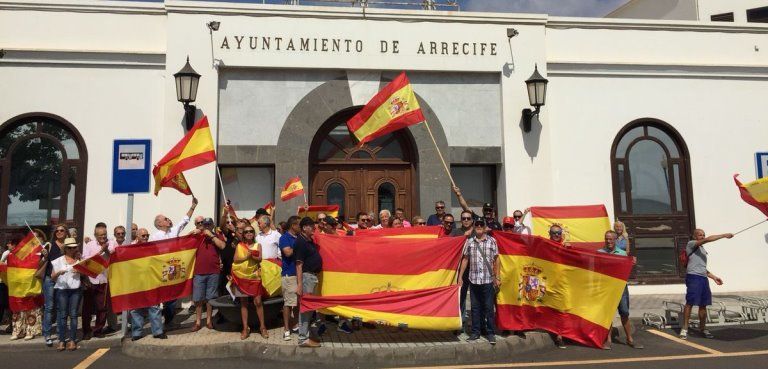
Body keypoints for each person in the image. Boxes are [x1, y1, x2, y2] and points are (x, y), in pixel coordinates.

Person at [151, 197, 197, 329]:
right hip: (161, 269)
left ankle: (169, 321)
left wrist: (193, 206)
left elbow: (184, 221)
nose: (168, 219)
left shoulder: (173, 231)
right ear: (159, 224)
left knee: (173, 295)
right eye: (165, 219)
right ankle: (164, 322)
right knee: (165, 296)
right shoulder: (155, 237)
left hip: (174, 267)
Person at [680, 228, 733, 340]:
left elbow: (703, 268)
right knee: (690, 302)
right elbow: (708, 240)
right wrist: (724, 234)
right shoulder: (691, 244)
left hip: (703, 278)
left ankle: (703, 328)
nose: (702, 237)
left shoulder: (703, 250)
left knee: (703, 304)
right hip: (693, 277)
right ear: (695, 236)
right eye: (700, 235)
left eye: (703, 235)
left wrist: (714, 277)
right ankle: (684, 328)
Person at [598, 231, 643, 350]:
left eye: (611, 239)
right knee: (608, 315)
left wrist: (632, 263)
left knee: (624, 312)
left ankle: (629, 339)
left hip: (621, 287)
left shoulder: (623, 254)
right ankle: (608, 340)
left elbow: (627, 270)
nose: (608, 241)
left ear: (615, 240)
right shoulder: (599, 253)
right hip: (607, 288)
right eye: (606, 239)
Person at [458, 219, 499, 345]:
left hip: (487, 280)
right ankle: (475, 332)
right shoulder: (469, 242)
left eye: (482, 225)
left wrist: (497, 277)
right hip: (474, 279)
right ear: (474, 227)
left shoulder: (492, 241)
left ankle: (490, 332)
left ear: (485, 227)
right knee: (475, 308)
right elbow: (465, 260)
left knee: (488, 308)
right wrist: (460, 277)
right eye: (477, 225)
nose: (479, 227)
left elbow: (497, 259)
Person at [230, 225, 268, 340]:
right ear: (243, 234)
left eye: (251, 231)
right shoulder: (239, 246)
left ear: (254, 233)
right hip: (241, 277)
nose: (249, 233)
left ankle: (262, 327)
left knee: (258, 302)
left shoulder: (258, 245)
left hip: (254, 277)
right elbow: (235, 259)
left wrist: (253, 257)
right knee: (244, 303)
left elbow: (260, 258)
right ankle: (245, 328)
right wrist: (247, 257)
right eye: (246, 232)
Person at [128, 229, 166, 341]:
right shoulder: (131, 249)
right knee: (136, 308)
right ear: (137, 236)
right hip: (136, 282)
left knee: (154, 307)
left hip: (151, 281)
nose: (146, 237)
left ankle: (158, 331)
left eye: (147, 235)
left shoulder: (153, 247)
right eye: (143, 235)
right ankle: (136, 332)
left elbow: (158, 261)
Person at [81, 223, 117, 340]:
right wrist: (101, 251)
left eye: (105, 234)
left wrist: (106, 251)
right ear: (95, 235)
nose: (103, 237)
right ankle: (86, 331)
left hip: (104, 279)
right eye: (100, 235)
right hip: (91, 280)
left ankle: (98, 330)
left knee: (102, 307)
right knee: (87, 308)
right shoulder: (89, 245)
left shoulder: (111, 242)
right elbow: (86, 260)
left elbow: (114, 258)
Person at [190, 218, 226, 332]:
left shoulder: (216, 235)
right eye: (204, 224)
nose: (205, 226)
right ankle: (198, 322)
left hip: (213, 271)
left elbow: (222, 246)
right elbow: (184, 243)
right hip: (198, 272)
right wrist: (192, 232)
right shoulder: (197, 235)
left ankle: (209, 321)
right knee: (198, 299)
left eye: (208, 224)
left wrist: (211, 235)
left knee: (210, 298)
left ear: (212, 225)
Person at [295, 217, 323, 347]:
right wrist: (300, 285)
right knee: (305, 309)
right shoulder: (300, 242)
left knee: (309, 308)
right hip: (307, 277)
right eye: (312, 226)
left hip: (312, 277)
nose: (314, 228)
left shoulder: (308, 240)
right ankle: (302, 339)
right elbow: (299, 265)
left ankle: (305, 335)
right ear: (305, 227)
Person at [50, 238, 81, 351]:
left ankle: (72, 340)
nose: (72, 249)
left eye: (74, 247)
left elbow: (87, 272)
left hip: (75, 289)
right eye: (70, 248)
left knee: (73, 315)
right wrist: (59, 272)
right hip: (62, 289)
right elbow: (52, 277)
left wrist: (80, 271)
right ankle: (62, 340)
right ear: (65, 249)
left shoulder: (79, 259)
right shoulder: (58, 260)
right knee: (63, 315)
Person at [40, 225, 68, 346]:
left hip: (63, 279)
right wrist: (45, 256)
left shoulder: (69, 245)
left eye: (62, 230)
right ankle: (47, 334)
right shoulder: (49, 245)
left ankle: (60, 332)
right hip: (50, 279)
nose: (59, 232)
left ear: (66, 232)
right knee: (49, 307)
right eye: (57, 230)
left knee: (61, 307)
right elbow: (40, 262)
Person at [279, 216, 300, 340]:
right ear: (293, 226)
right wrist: (299, 244)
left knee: (297, 302)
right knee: (288, 303)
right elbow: (287, 253)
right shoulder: (284, 238)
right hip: (289, 275)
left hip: (299, 274)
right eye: (299, 225)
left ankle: (296, 324)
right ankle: (286, 328)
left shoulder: (298, 238)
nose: (300, 227)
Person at [548, 223, 568, 348]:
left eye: (558, 233)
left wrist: (569, 249)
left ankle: (559, 335)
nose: (556, 235)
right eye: (554, 233)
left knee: (561, 309)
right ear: (549, 234)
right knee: (549, 309)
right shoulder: (543, 245)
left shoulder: (566, 246)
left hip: (562, 283)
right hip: (547, 282)